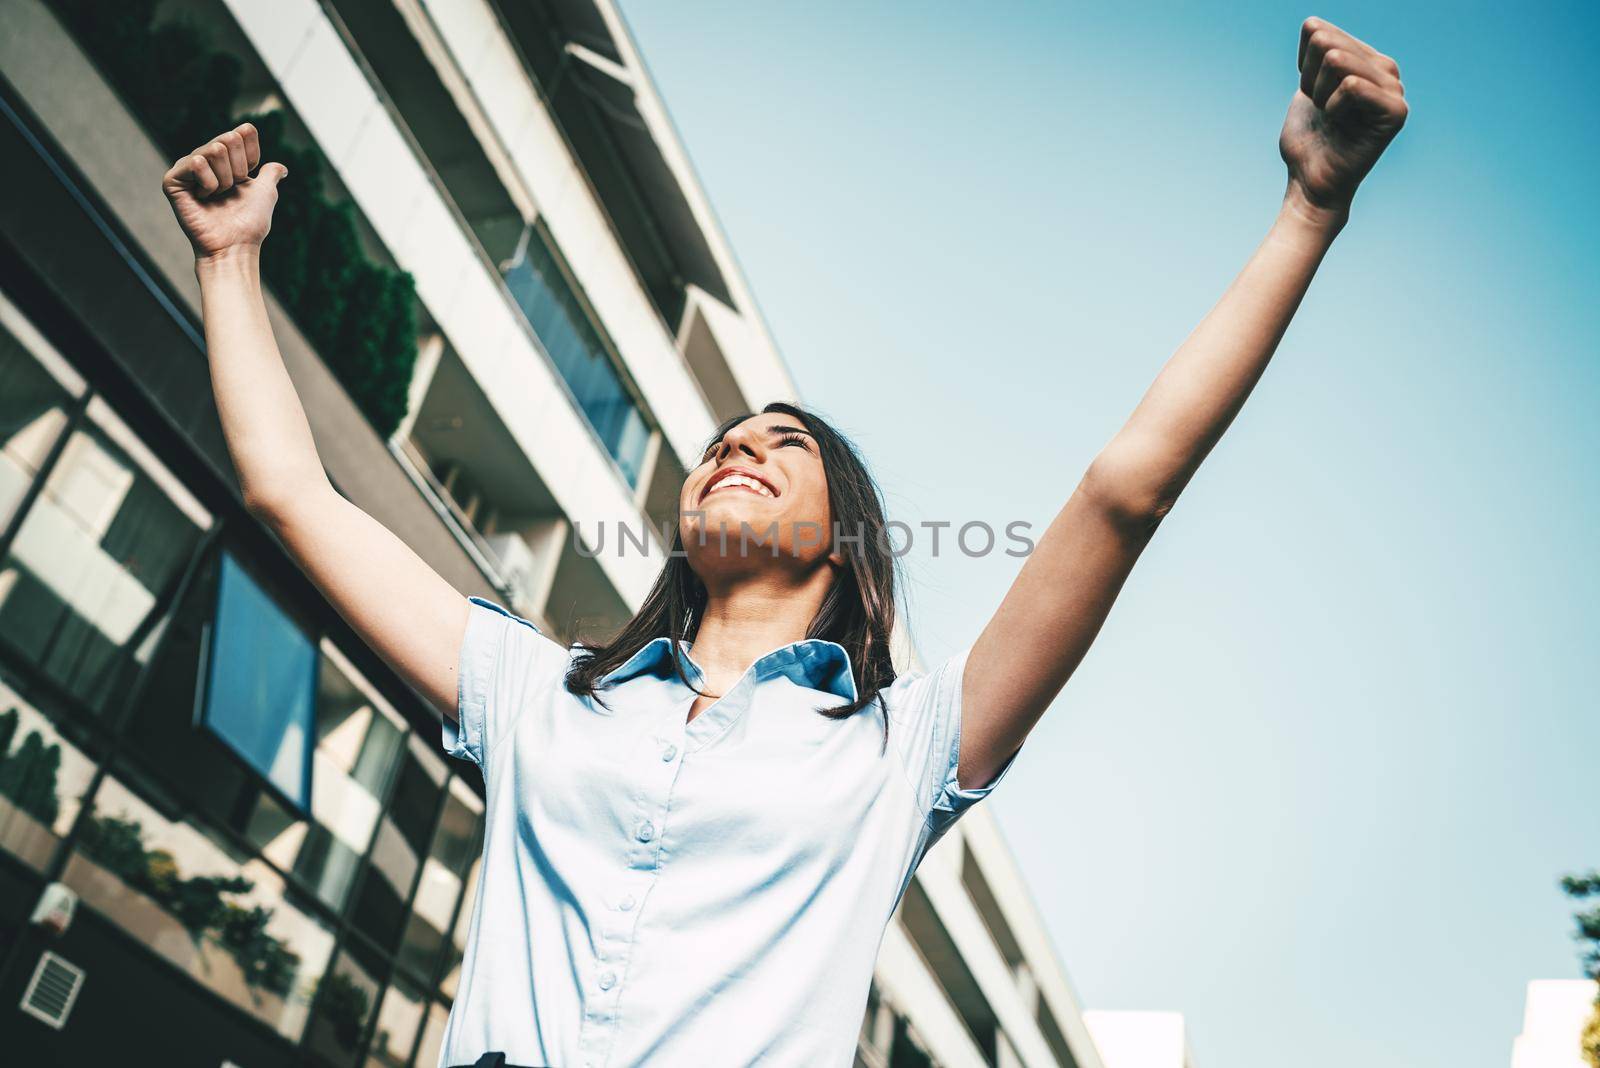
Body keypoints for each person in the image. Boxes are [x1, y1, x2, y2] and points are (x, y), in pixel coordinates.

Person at [159, 16, 1405, 1068]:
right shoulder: (537, 693)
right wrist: (229, 262)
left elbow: (1125, 494)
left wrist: (1308, 206)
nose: (736, 446)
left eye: (785, 446)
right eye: (722, 439)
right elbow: (292, 495)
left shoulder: (903, 749)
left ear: (844, 545)